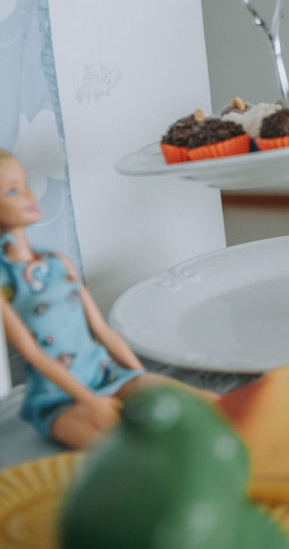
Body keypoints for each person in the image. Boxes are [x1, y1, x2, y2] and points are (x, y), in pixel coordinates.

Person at [0, 149, 213, 448]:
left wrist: (138, 376)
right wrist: (90, 401)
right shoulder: (5, 283)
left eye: (24, 185)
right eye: (12, 191)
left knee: (203, 402)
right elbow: (32, 353)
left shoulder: (58, 264)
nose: (27, 196)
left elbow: (100, 330)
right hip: (58, 397)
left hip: (107, 373)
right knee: (122, 450)